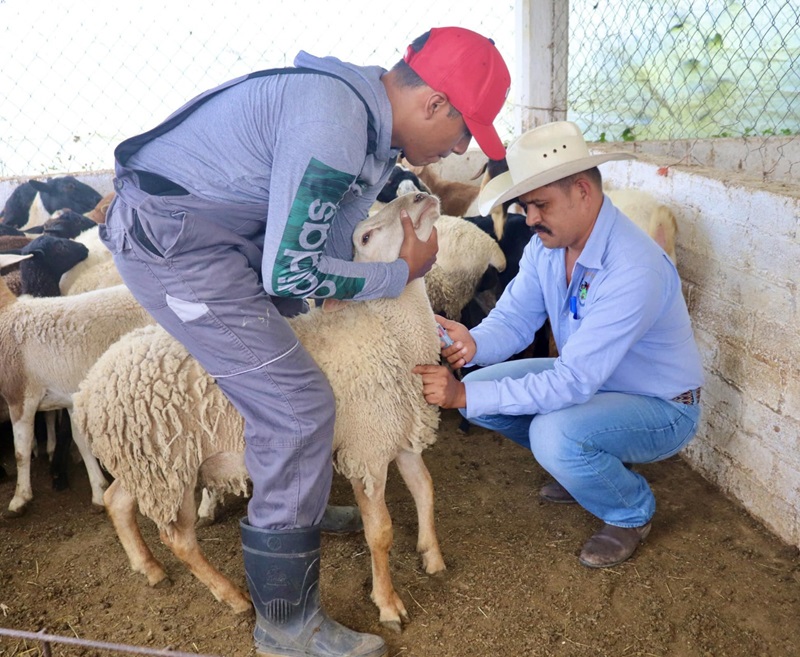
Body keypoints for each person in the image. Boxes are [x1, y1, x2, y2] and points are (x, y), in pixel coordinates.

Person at [100, 26, 510, 657]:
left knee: (299, 362)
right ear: (435, 105)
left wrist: (376, 277)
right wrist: (407, 273)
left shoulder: (372, 136)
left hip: (220, 240)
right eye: (462, 133)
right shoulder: (334, 121)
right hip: (178, 246)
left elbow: (326, 252)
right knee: (298, 404)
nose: (457, 147)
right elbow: (292, 271)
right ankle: (287, 626)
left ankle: (300, 506)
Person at [414, 120, 703, 570]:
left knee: (548, 431)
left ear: (583, 192)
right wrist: (472, 343)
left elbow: (573, 381)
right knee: (485, 401)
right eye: (526, 205)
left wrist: (460, 391)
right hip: (596, 387)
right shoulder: (548, 246)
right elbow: (514, 319)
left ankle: (629, 511)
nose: (529, 218)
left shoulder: (633, 268)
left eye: (541, 204)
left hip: (662, 406)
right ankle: (583, 468)